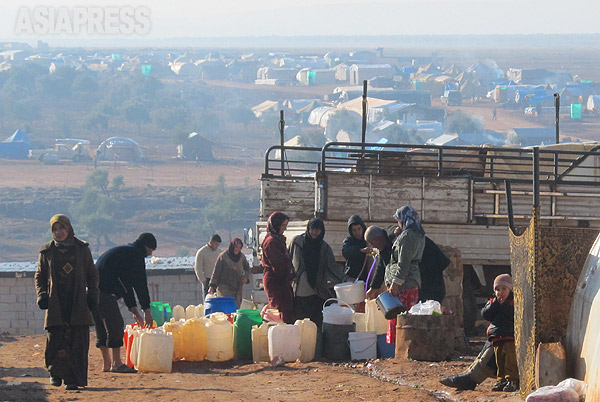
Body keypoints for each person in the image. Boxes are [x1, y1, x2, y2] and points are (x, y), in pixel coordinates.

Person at [35, 214, 99, 390]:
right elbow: (40, 276)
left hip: (77, 302)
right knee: (56, 339)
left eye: (62, 228)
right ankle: (55, 373)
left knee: (77, 342)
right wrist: (42, 294)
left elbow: (92, 274)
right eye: (55, 230)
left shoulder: (81, 249)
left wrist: (93, 294)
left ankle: (73, 379)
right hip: (56, 302)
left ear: (69, 229)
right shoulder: (47, 252)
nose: (59, 232)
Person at [92, 232, 157, 374]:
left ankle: (107, 363)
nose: (150, 254)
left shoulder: (125, 253)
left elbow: (126, 285)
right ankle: (116, 363)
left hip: (92, 291)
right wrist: (146, 311)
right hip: (104, 292)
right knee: (115, 325)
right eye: (151, 250)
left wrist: (134, 310)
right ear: (147, 247)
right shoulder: (136, 256)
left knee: (101, 326)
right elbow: (140, 285)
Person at [289, 218, 345, 327]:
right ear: (308, 229)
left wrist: (344, 278)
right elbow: (288, 259)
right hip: (300, 289)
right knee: (300, 321)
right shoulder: (297, 242)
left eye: (317, 230)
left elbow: (332, 266)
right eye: (312, 229)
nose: (314, 232)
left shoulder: (324, 247)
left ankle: (315, 342)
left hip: (317, 290)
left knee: (316, 322)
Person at [384, 206, 426, 344]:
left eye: (399, 220)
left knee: (400, 320)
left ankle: (399, 350)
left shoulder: (407, 237)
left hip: (404, 285)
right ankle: (407, 348)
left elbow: (404, 262)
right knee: (409, 319)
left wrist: (396, 283)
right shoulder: (419, 235)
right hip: (412, 281)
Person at [481, 274, 519, 392]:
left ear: (510, 290)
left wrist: (505, 306)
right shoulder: (493, 302)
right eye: (497, 289)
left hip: (509, 336)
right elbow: (485, 314)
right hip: (497, 336)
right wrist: (495, 305)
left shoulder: (513, 303)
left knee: (510, 359)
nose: (500, 292)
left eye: (504, 289)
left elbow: (512, 316)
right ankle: (502, 380)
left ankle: (512, 380)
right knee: (500, 360)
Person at [261, 211, 296, 324]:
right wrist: (288, 275)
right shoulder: (271, 242)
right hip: (276, 281)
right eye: (283, 226)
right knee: (280, 311)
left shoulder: (278, 240)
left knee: (286, 309)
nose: (284, 229)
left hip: (281, 280)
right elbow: (278, 264)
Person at [208, 238, 250, 307]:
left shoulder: (241, 257)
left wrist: (246, 278)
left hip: (237, 286)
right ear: (232, 246)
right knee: (226, 305)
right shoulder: (223, 256)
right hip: (224, 286)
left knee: (235, 307)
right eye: (236, 247)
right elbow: (216, 272)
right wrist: (212, 286)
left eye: (240, 248)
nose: (238, 250)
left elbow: (247, 268)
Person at [363, 225, 392, 301]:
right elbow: (381, 266)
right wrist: (373, 288)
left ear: (377, 239)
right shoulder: (383, 248)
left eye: (372, 243)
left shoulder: (393, 236)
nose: (373, 246)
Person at [342, 215, 373, 281]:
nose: (357, 232)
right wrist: (360, 251)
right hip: (353, 276)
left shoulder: (368, 239)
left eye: (359, 229)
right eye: (354, 230)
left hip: (368, 276)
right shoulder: (349, 240)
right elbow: (345, 251)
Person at [194, 234, 222, 299]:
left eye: (218, 245)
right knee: (208, 301)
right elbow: (198, 268)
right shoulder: (201, 252)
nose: (217, 246)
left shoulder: (219, 252)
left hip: (218, 281)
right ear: (211, 242)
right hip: (207, 280)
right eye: (216, 244)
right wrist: (203, 281)